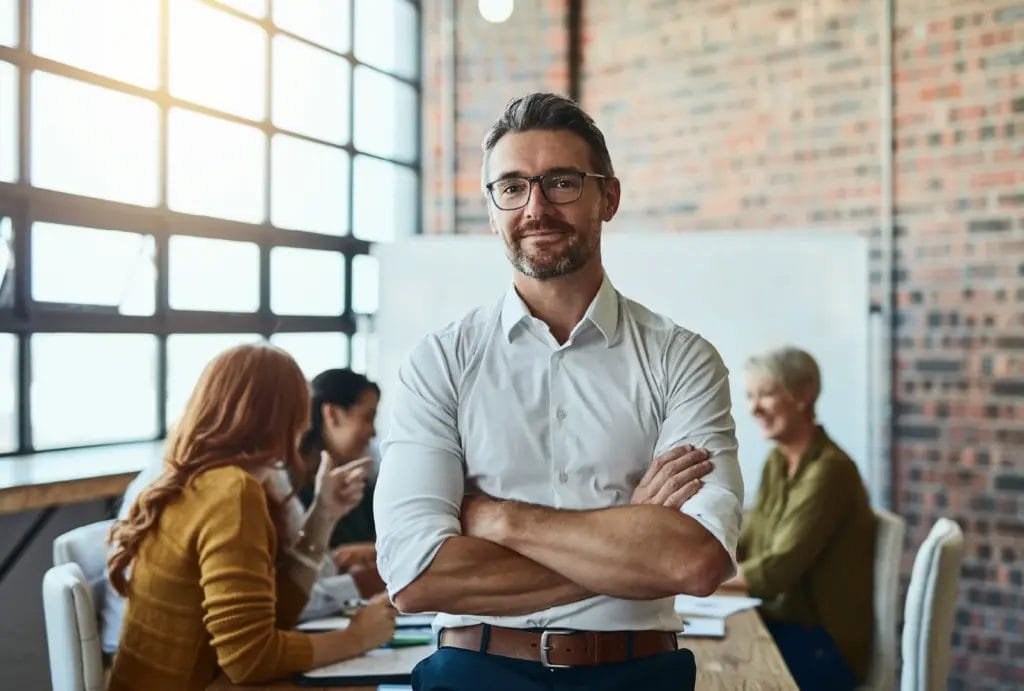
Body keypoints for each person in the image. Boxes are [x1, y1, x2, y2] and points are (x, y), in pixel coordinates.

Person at [373, 92, 744, 691]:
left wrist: (497, 519)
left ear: (609, 197)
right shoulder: (441, 361)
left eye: (562, 183)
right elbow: (417, 577)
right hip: (473, 672)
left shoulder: (682, 359)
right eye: (513, 187)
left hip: (637, 674)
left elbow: (694, 560)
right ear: (493, 209)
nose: (536, 207)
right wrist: (632, 535)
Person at [106, 344, 396, 691]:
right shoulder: (233, 492)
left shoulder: (203, 478)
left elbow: (275, 616)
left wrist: (323, 516)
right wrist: (357, 637)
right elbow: (249, 658)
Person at [725, 346, 874, 691]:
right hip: (784, 626)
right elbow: (746, 542)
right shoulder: (777, 462)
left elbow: (777, 569)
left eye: (766, 394)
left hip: (822, 647)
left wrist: (693, 580)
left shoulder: (830, 471)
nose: (753, 409)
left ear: (804, 394)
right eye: (750, 396)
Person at [297, 368, 383, 597]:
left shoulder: (363, 483)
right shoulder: (289, 488)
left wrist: (375, 552)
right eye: (367, 417)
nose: (373, 432)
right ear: (332, 414)